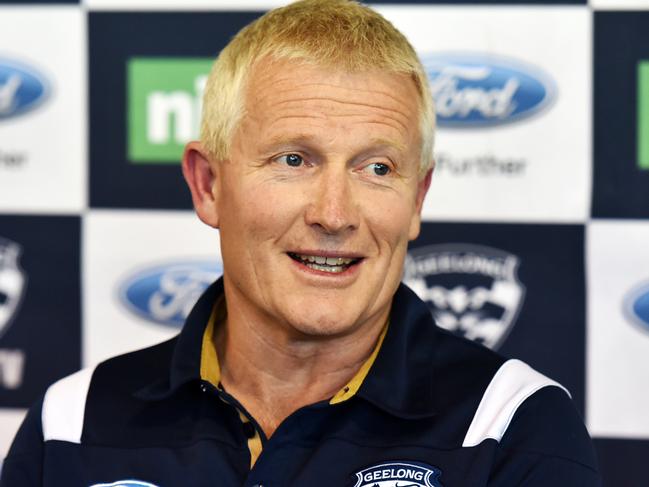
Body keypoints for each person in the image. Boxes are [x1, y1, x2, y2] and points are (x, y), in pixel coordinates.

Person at [1, 1, 600, 485]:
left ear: (417, 200)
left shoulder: (512, 424)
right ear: (208, 185)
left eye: (378, 169)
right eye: (294, 160)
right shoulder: (72, 421)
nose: (334, 214)